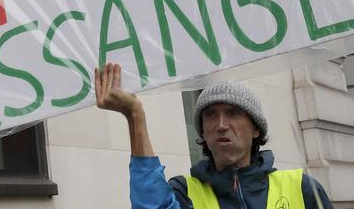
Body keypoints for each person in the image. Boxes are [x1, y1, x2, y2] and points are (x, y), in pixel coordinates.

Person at [95, 63, 333, 208]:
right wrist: (135, 115)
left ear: (256, 128)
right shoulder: (184, 192)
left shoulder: (303, 188)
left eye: (233, 113)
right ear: (203, 132)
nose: (221, 124)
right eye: (210, 115)